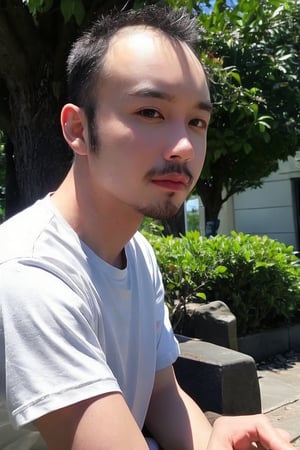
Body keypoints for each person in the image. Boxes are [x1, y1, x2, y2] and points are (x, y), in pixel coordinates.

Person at [0, 5, 295, 450]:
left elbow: (162, 393)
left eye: (197, 122)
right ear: (78, 128)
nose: (182, 147)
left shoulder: (136, 253)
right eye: (150, 112)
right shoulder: (29, 274)